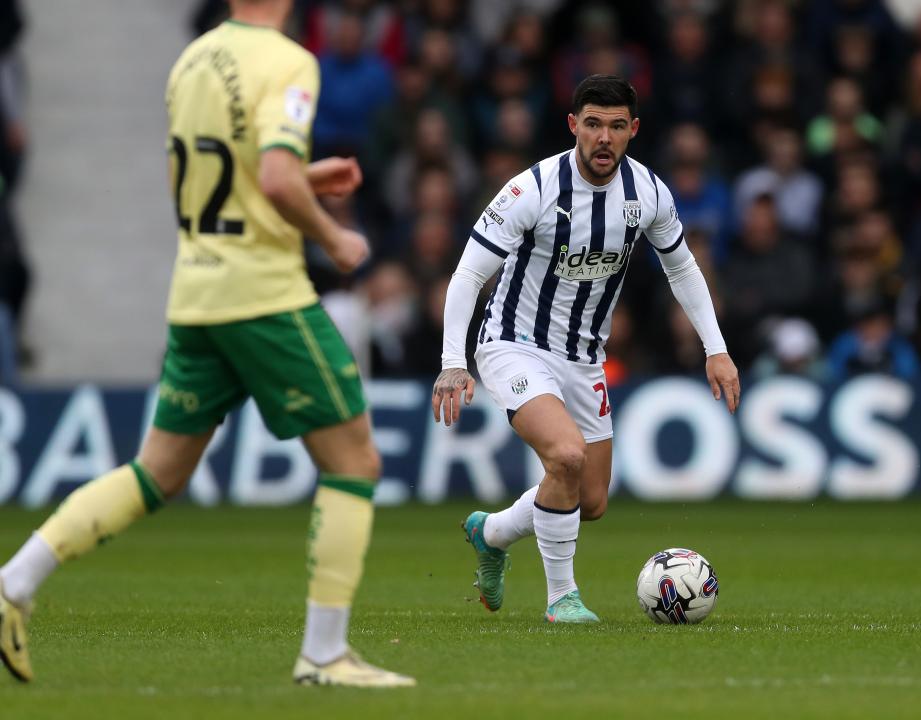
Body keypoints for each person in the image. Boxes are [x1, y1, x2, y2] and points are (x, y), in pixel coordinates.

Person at [0, 0, 413, 688]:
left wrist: (307, 182)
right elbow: (275, 176)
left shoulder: (190, 61)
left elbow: (207, 181)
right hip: (264, 295)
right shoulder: (287, 61)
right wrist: (331, 232)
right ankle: (324, 654)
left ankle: (12, 583)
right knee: (354, 460)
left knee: (155, 472)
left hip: (197, 291)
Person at [432, 75, 739, 624]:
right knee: (566, 456)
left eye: (616, 126)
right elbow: (468, 274)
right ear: (573, 125)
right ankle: (561, 599)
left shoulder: (647, 192)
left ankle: (492, 532)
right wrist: (453, 362)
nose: (604, 137)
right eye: (593, 123)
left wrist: (716, 348)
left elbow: (683, 269)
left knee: (589, 499)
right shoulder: (533, 189)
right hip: (513, 345)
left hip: (584, 357)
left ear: (633, 131)